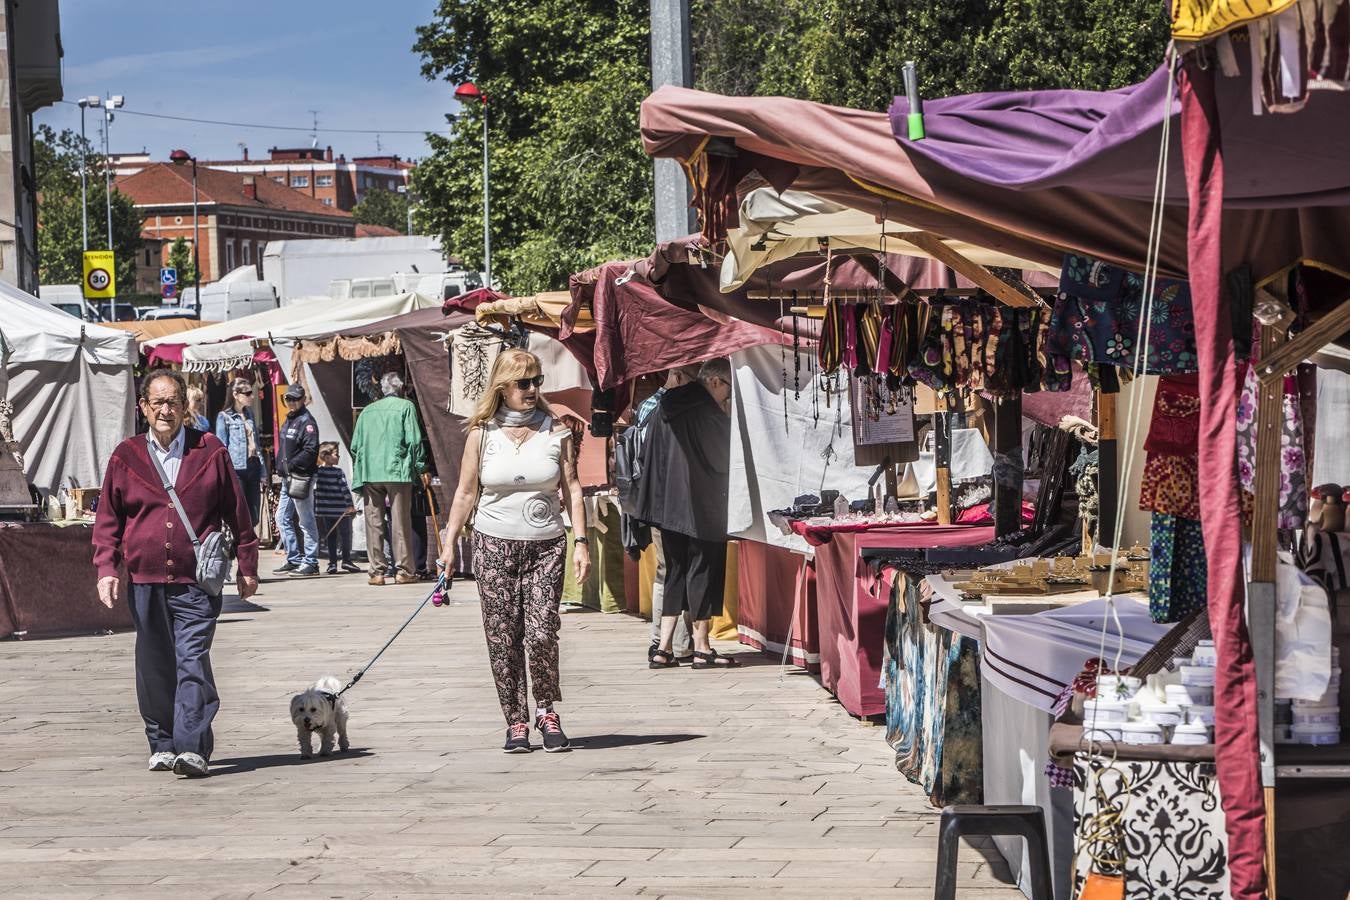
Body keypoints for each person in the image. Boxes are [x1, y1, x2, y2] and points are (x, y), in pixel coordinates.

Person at [92, 369, 259, 778]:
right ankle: (162, 742)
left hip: (196, 581)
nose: (166, 409)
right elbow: (108, 519)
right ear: (144, 408)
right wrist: (106, 568)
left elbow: (238, 513)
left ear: (186, 407)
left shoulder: (210, 450)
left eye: (173, 402)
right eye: (158, 402)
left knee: (192, 661)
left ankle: (192, 746)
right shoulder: (125, 456)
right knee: (154, 663)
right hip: (145, 580)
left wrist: (247, 564)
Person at [439, 349, 591, 753]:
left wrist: (582, 542)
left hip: (546, 546)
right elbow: (466, 491)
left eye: (537, 381)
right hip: (493, 544)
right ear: (502, 387)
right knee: (503, 636)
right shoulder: (481, 433)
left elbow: (572, 487)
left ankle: (546, 710)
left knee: (542, 632)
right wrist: (449, 542)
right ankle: (516, 720)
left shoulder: (555, 429)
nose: (532, 389)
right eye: (524, 383)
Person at [635, 357, 739, 669]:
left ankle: (663, 649)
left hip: (666, 505)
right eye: (728, 391)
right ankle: (702, 647)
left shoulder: (665, 404)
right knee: (702, 570)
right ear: (716, 381)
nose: (727, 399)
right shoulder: (705, 408)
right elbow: (726, 457)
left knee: (675, 572)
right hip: (701, 505)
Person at [634, 366, 702, 664]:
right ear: (676, 376)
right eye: (690, 380)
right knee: (672, 568)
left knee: (672, 568)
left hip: (657, 501)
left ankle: (669, 643)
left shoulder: (648, 407)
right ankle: (674, 643)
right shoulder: (660, 407)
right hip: (668, 501)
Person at [350, 372, 426, 586]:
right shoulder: (405, 407)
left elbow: (355, 446)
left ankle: (376, 572)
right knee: (400, 521)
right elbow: (414, 441)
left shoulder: (367, 411)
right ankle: (403, 571)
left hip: (370, 472)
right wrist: (420, 467)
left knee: (373, 522)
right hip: (397, 470)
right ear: (401, 389)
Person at [274, 383, 320, 577]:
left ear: (302, 400)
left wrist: (291, 464)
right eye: (288, 399)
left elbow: (311, 450)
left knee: (305, 520)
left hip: (301, 477)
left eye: (295, 399)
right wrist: (279, 465)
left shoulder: (306, 422)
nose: (291, 403)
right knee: (281, 517)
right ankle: (293, 558)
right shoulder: (289, 420)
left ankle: (311, 561)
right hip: (286, 478)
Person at [215, 377, 266, 527]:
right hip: (236, 469)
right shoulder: (224, 417)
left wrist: (263, 471)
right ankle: (240, 546)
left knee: (254, 514)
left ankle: (248, 543)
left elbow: (256, 444)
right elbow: (221, 447)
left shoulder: (250, 414)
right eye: (248, 393)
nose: (252, 396)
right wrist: (223, 474)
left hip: (253, 465)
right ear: (236, 395)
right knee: (239, 511)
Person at [314, 442, 359, 575]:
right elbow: (344, 489)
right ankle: (346, 559)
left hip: (325, 511)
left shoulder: (318, 472)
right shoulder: (338, 472)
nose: (338, 456)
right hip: (341, 511)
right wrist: (350, 505)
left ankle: (332, 563)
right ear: (326, 456)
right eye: (336, 454)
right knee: (345, 535)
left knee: (331, 536)